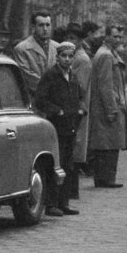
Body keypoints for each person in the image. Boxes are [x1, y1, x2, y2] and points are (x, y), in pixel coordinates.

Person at [33, 42, 84, 216]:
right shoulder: (50, 75)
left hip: (71, 125)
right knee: (57, 164)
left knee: (68, 165)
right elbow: (40, 99)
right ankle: (51, 203)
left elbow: (80, 95)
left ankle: (64, 202)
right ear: (58, 57)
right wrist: (57, 111)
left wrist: (80, 109)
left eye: (70, 56)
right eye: (64, 56)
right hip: (56, 126)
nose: (67, 60)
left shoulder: (73, 75)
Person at [88, 23, 127, 188]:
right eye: (115, 36)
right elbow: (106, 85)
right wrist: (111, 109)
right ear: (106, 36)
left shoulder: (109, 53)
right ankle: (106, 179)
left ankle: (105, 178)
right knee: (108, 144)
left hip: (109, 105)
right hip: (108, 107)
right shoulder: (106, 55)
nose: (118, 39)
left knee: (109, 143)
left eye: (120, 37)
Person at [71, 22, 97, 176]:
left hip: (76, 106)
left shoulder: (82, 58)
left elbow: (80, 88)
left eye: (73, 38)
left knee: (76, 144)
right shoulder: (74, 54)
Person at [13, 11, 57, 81]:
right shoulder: (21, 48)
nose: (45, 29)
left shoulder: (57, 47)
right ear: (34, 27)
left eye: (47, 25)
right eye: (41, 25)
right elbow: (27, 76)